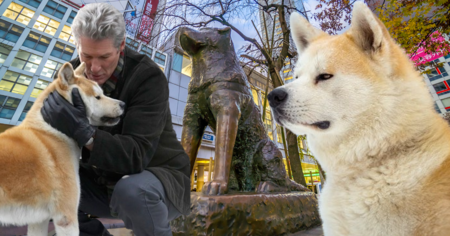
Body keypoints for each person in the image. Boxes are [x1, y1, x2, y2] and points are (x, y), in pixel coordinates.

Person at [40, 3, 190, 236]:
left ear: (121, 46)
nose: (94, 68)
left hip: (157, 182)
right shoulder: (68, 78)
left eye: (104, 56)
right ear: (77, 45)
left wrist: (85, 133)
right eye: (86, 56)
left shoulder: (148, 78)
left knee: (132, 191)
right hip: (103, 183)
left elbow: (136, 156)